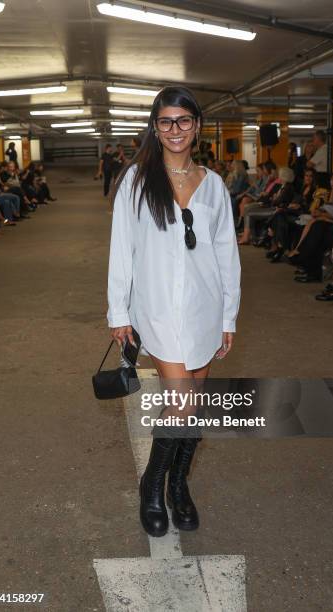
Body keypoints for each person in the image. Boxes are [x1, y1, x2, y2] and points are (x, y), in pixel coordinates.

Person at [107, 86, 241, 538]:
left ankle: (178, 486)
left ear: (197, 125)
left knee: (193, 404)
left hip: (204, 308)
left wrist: (229, 316)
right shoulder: (137, 180)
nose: (175, 129)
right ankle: (153, 487)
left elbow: (226, 254)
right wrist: (117, 311)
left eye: (183, 120)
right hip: (159, 309)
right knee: (181, 401)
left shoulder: (215, 184)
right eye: (165, 121)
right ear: (155, 127)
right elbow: (122, 248)